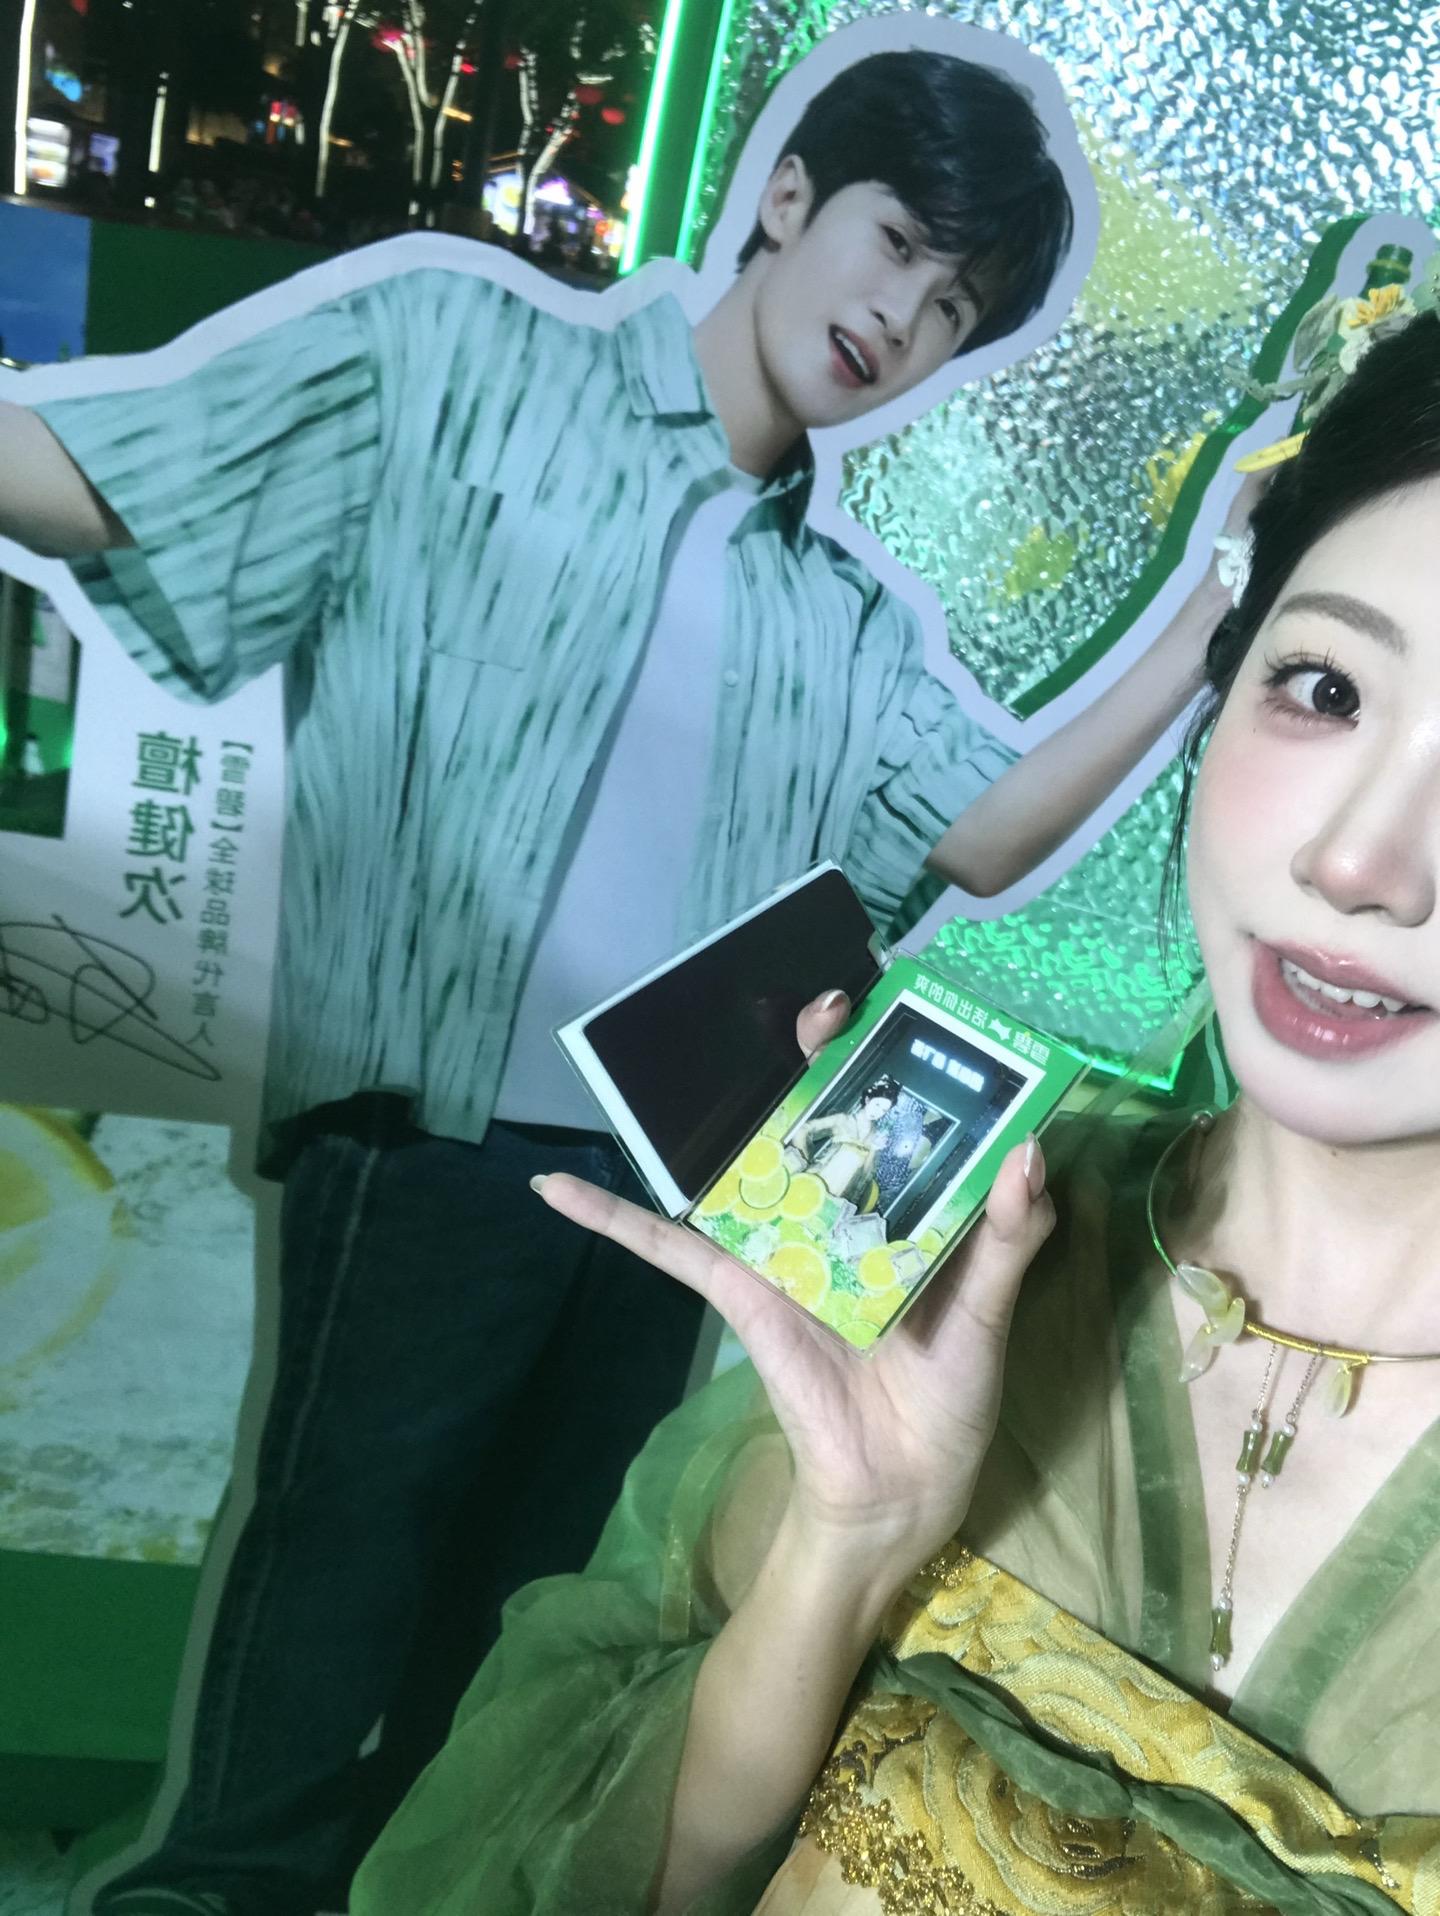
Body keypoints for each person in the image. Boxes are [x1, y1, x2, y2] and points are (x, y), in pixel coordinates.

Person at [1, 44, 1245, 1916]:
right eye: (899, 244)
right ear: (790, 197)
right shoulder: (462, 360)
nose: (904, 317)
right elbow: (115, 486)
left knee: (523, 1621)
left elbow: (983, 836)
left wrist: (1220, 614)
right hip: (427, 1136)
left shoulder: (837, 617)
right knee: (337, 1579)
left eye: (955, 306)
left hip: (670, 1189)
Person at [350, 306, 1440, 1913]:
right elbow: (582, 1864)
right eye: (1325, 687)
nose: (1359, 862)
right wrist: (846, 1545)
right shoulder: (982, 1220)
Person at [787, 1077, 901, 1211]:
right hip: (814, 1181)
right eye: (877, 1105)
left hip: (838, 1197)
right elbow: (802, 1129)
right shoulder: (843, 1120)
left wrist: (874, 1149)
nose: (878, 1112)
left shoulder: (875, 1136)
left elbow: (865, 1174)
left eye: (883, 1110)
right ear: (867, 1099)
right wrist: (803, 1162)